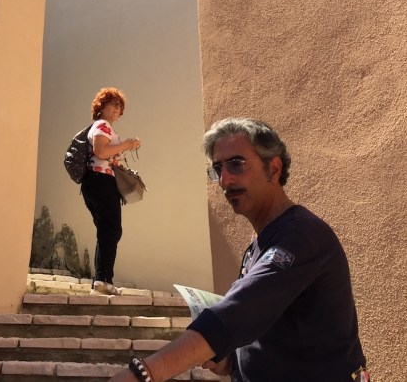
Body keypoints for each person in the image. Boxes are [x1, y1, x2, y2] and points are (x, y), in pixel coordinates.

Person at [108, 117, 369, 382]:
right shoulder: (259, 244)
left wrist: (142, 374)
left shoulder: (300, 236)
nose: (225, 180)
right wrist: (232, 361)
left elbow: (236, 314)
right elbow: (262, 323)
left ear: (273, 169)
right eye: (217, 169)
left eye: (236, 164)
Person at [81, 87, 141, 296]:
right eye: (112, 104)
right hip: (101, 181)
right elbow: (101, 151)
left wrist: (126, 147)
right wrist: (125, 144)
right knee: (112, 230)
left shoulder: (102, 127)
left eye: (119, 106)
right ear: (101, 106)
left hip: (95, 182)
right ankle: (103, 280)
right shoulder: (102, 125)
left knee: (107, 231)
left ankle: (102, 280)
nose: (117, 108)